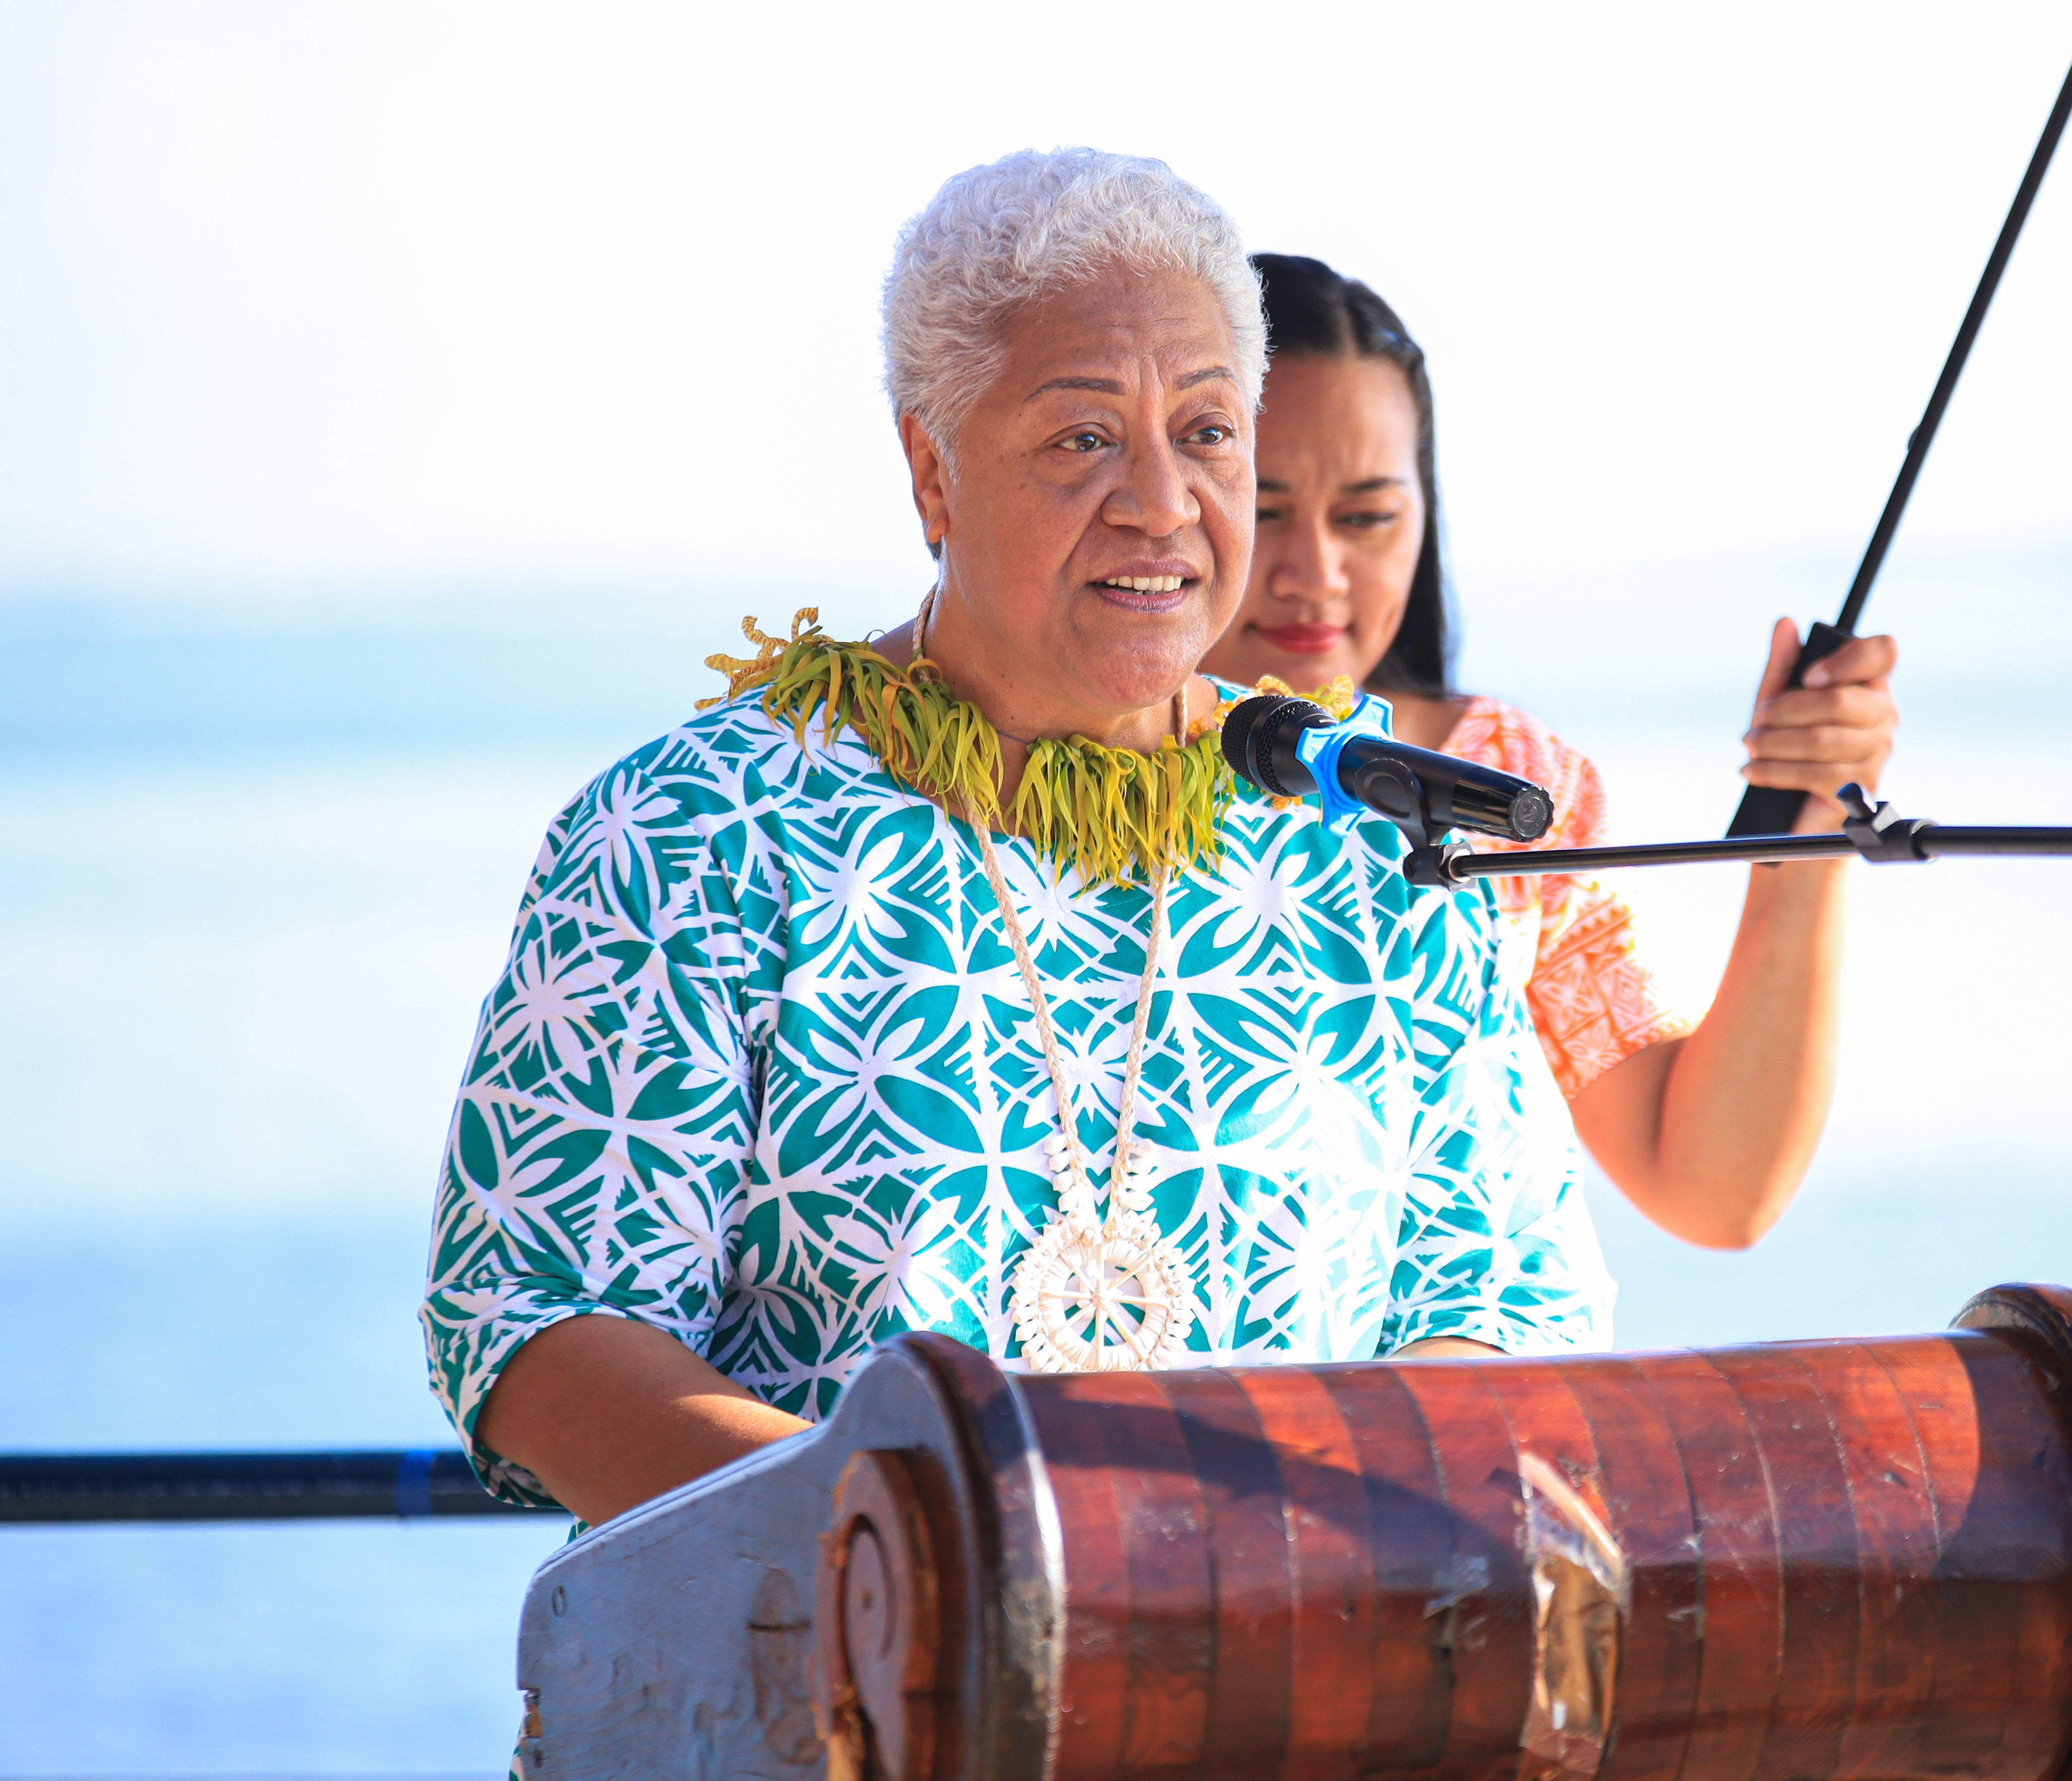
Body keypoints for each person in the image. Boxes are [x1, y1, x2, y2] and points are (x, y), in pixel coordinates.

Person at [421, 153, 1609, 1530]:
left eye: (1211, 433)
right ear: (931, 470)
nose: (1162, 501)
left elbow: (1507, 1302)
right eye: (1081, 438)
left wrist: (1279, 1574)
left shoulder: (1375, 855)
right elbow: (542, 1320)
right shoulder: (696, 833)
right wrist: (941, 1567)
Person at [1204, 255, 1900, 1252]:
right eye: (1264, 509)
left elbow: (1707, 1180)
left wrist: (1808, 825)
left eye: (1366, 516)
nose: (1314, 570)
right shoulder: (1050, 761)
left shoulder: (1507, 780)